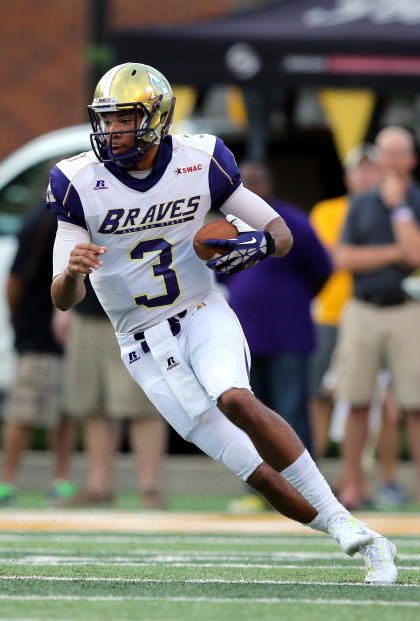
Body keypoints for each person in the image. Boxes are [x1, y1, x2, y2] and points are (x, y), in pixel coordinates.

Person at [47, 62, 397, 584]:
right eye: (108, 119)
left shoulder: (200, 159)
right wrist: (73, 274)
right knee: (251, 469)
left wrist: (257, 243)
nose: (113, 130)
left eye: (124, 119)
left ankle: (346, 524)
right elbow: (63, 299)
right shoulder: (78, 181)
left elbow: (280, 232)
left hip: (201, 309)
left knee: (235, 397)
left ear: (155, 118)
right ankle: (351, 532)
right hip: (141, 341)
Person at [222, 161, 332, 513]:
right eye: (246, 183)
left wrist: (291, 299)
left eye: (257, 182)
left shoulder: (291, 222)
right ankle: (262, 490)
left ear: (269, 185)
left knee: (291, 411)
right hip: (247, 337)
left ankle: (306, 489)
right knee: (253, 415)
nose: (251, 189)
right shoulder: (227, 224)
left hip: (288, 334)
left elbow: (322, 268)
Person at [333, 126, 420, 510]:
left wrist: (399, 208)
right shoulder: (361, 203)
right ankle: (354, 486)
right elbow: (343, 259)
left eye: (400, 153)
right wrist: (392, 253)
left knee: (415, 406)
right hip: (363, 307)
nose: (392, 161)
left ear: (412, 159)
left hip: (408, 308)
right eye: (387, 153)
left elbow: (415, 256)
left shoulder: (416, 199)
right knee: (355, 401)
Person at [53, 279, 168, 509]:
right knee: (93, 403)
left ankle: (150, 488)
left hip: (138, 313)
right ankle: (99, 486)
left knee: (143, 405)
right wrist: (63, 308)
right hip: (88, 310)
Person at [0, 204, 75, 506]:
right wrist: (21, 321)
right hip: (37, 330)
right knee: (24, 410)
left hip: (67, 328)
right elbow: (16, 280)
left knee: (65, 411)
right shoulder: (40, 224)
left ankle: (62, 480)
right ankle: (7, 481)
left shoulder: (75, 222)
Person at [309, 143, 380, 459]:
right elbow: (332, 259)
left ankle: (374, 480)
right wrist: (382, 256)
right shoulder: (327, 210)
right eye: (359, 169)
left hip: (374, 312)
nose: (364, 175)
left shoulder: (394, 209)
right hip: (330, 313)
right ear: (348, 175)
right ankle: (317, 472)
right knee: (319, 395)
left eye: (371, 168)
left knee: (376, 401)